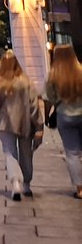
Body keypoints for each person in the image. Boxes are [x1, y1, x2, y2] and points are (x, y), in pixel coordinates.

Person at [0, 51, 43, 201]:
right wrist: (39, 125)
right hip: (25, 122)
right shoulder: (26, 81)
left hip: (5, 122)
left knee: (10, 153)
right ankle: (27, 184)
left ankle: (15, 183)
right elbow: (34, 106)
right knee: (26, 153)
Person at [44, 44, 82, 200]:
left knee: (72, 153)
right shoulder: (80, 72)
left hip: (65, 116)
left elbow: (49, 98)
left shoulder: (52, 75)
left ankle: (80, 189)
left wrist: (46, 117)